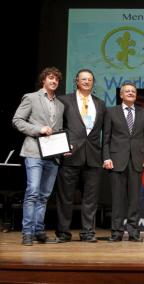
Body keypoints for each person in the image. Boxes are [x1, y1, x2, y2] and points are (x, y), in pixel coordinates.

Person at [12, 67, 64, 245]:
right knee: (33, 192)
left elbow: (56, 131)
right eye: (50, 78)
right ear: (44, 80)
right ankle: (27, 232)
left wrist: (64, 145)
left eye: (56, 79)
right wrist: (38, 130)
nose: (54, 81)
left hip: (52, 155)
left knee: (44, 196)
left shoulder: (60, 105)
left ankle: (38, 231)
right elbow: (17, 120)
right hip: (34, 152)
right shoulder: (31, 97)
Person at [55, 69, 106, 242]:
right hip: (70, 155)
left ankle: (87, 233)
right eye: (83, 79)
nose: (86, 82)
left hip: (93, 156)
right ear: (77, 81)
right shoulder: (64, 100)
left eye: (90, 79)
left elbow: (103, 133)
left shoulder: (100, 103)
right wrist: (61, 146)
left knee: (90, 198)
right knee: (65, 197)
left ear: (93, 82)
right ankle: (63, 233)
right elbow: (57, 126)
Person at [103, 82, 144, 242]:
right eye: (127, 91)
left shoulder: (143, 113)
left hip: (137, 161)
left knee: (134, 199)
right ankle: (116, 232)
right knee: (117, 199)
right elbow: (106, 138)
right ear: (121, 95)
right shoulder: (111, 112)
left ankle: (133, 232)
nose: (130, 93)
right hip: (116, 160)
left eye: (133, 91)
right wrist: (106, 157)